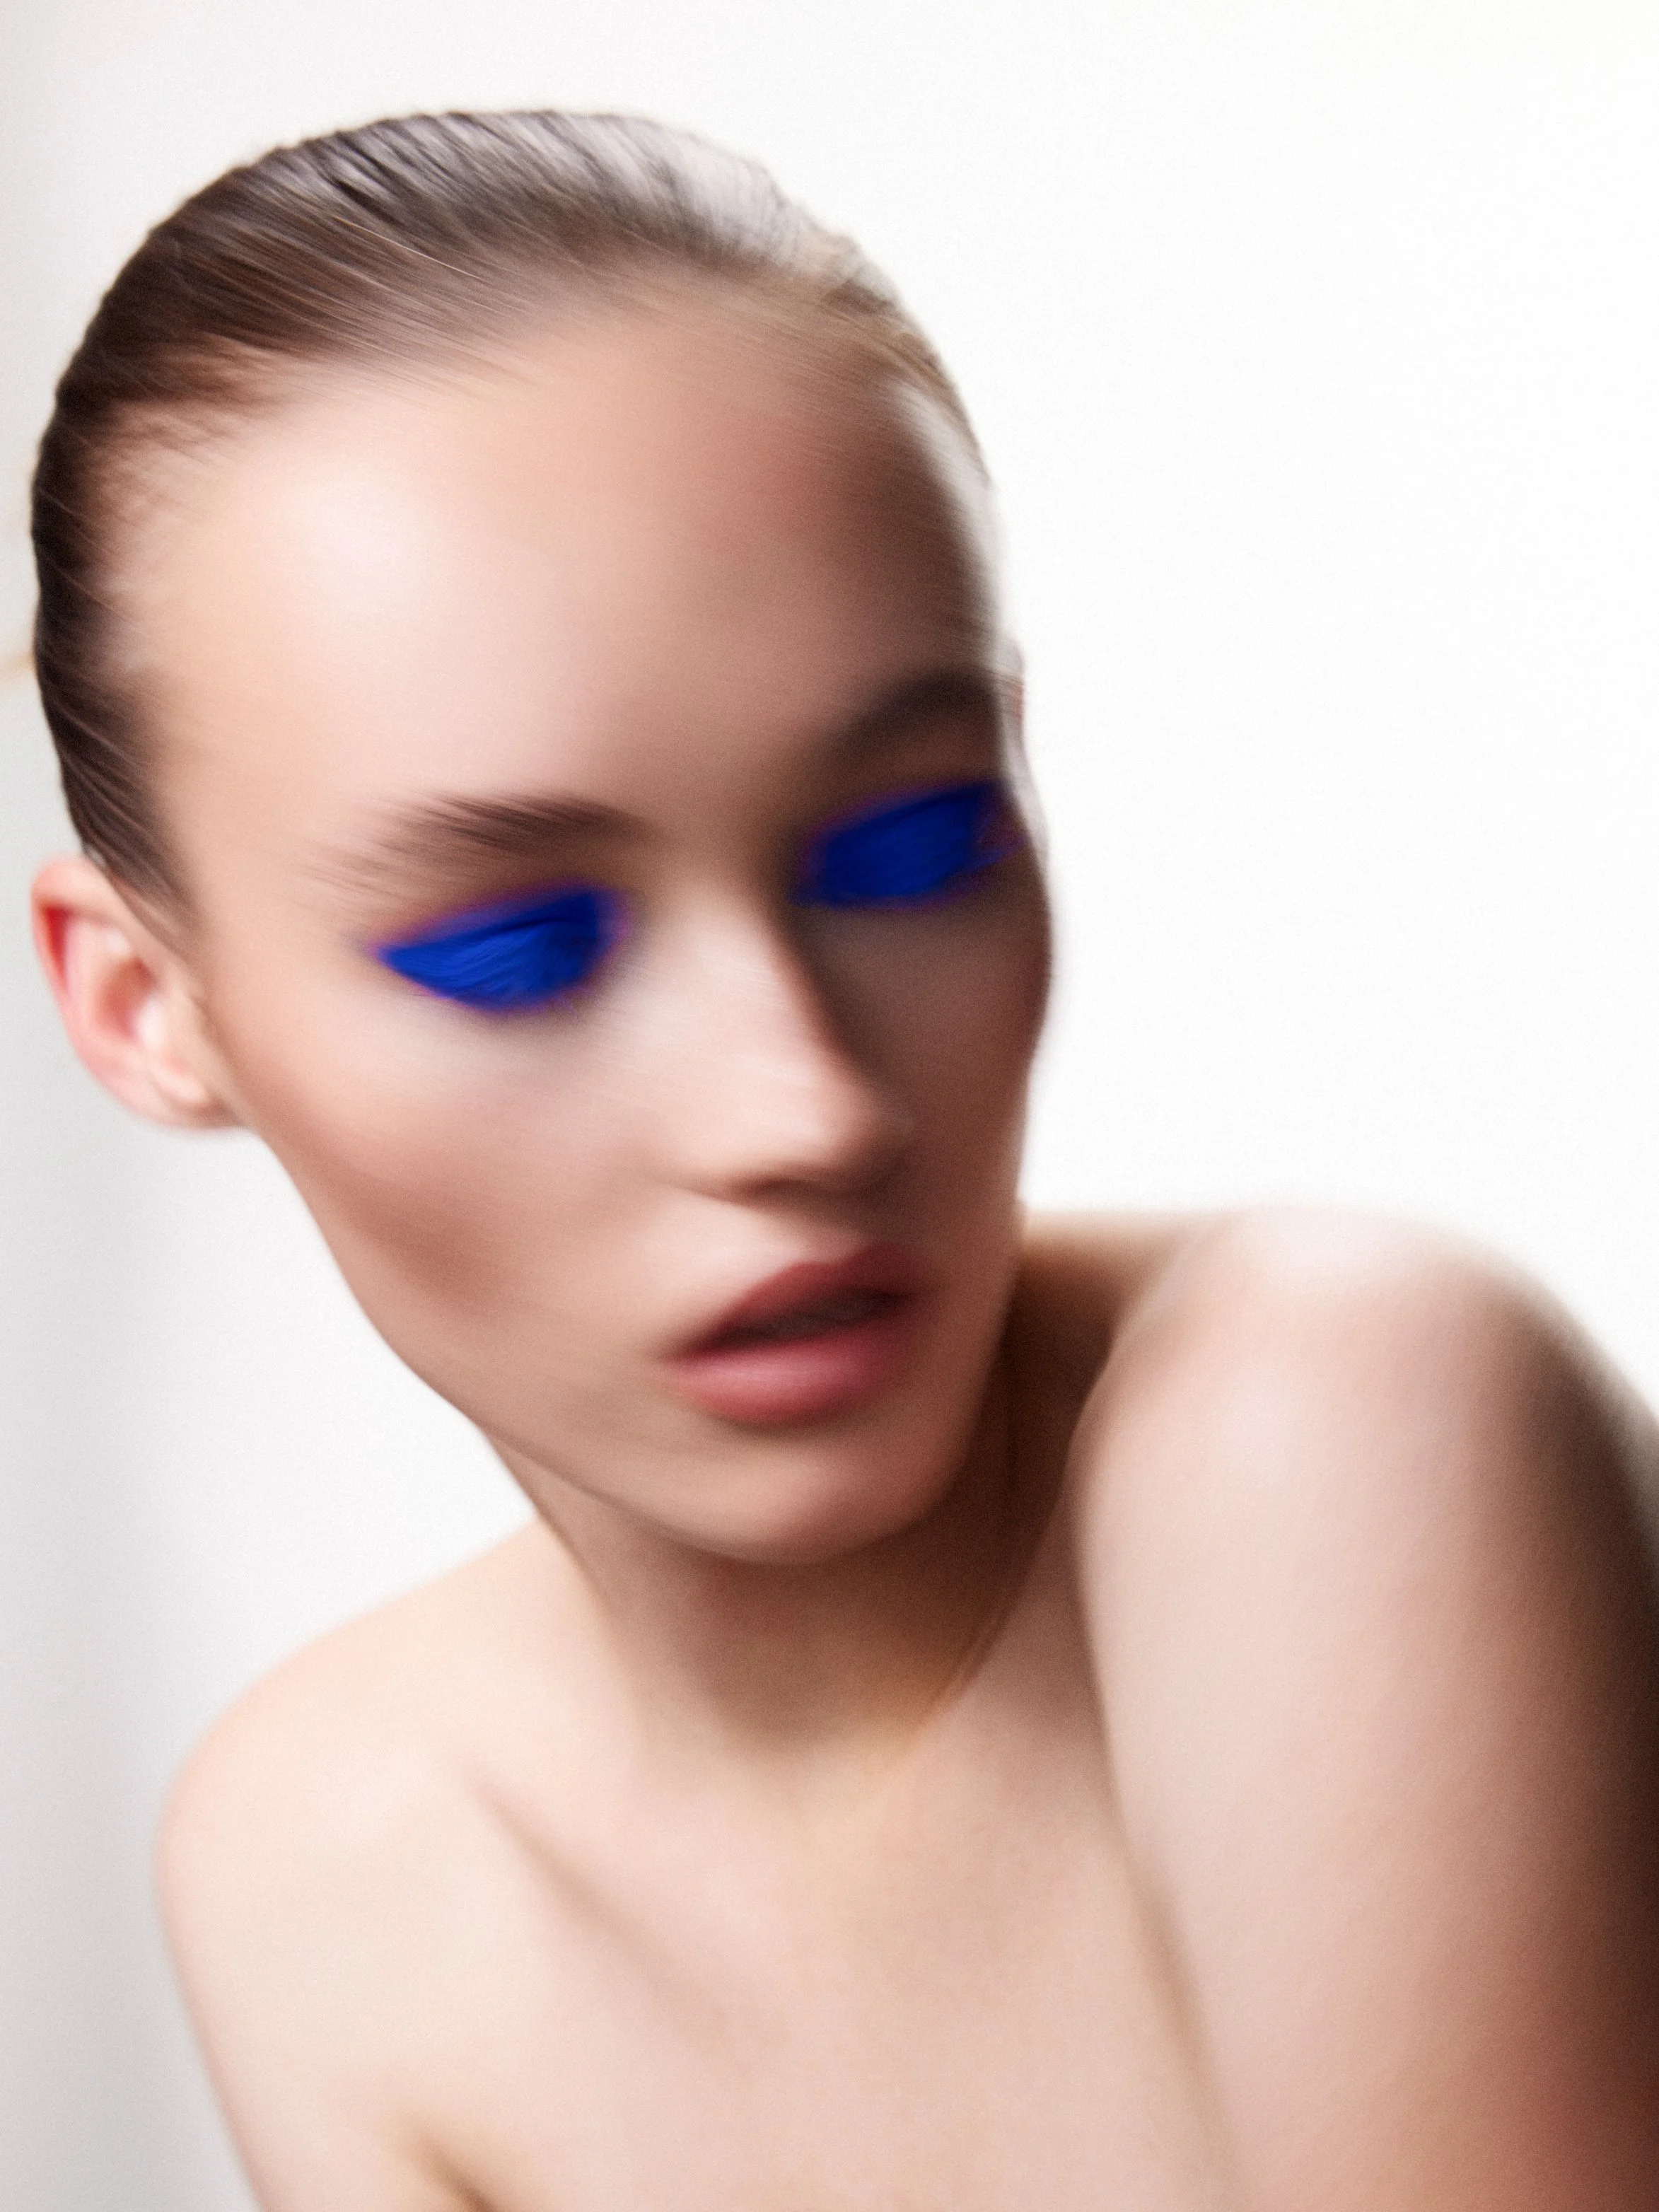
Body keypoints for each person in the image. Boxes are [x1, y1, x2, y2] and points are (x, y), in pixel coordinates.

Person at [26, 110, 1659, 2211]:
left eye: (913, 848)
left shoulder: (1332, 1423)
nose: (806, 1104)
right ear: (147, 1006)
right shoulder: (321, 1861)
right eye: (518, 948)